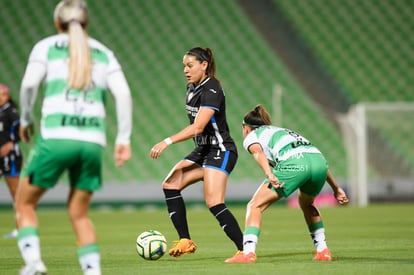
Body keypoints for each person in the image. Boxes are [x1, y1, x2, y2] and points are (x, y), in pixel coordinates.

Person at [15, 0, 132, 274]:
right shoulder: (104, 53)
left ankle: (33, 264)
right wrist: (123, 138)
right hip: (92, 142)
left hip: (56, 137)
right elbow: (123, 94)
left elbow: (29, 84)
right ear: (87, 22)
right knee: (79, 214)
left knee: (24, 203)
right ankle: (92, 271)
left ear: (57, 23)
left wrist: (25, 119)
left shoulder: (45, 47)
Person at [149, 47, 244, 260]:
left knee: (214, 202)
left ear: (204, 65)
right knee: (170, 184)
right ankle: (185, 240)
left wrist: (167, 141)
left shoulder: (212, 90)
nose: (185, 70)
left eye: (190, 65)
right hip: (203, 150)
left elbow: (198, 127)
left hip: (221, 149)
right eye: (184, 65)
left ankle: (244, 249)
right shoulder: (192, 87)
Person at [225, 104, 349, 263]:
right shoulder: (282, 131)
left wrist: (269, 174)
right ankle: (323, 250)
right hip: (319, 163)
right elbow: (314, 156)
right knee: (307, 203)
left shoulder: (252, 135)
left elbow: (257, 152)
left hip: (294, 163)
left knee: (254, 205)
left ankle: (248, 253)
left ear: (246, 128)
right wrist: (336, 188)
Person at [0, 83, 22, 239]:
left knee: (16, 193)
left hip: (10, 157)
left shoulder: (11, 113)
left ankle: (21, 228)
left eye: (2, 95)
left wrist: (11, 143)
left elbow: (23, 128)